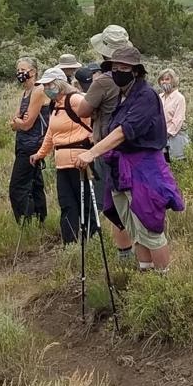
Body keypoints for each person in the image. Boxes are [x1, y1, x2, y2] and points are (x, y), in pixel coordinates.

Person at [79, 44, 184, 272]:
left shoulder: (145, 96)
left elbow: (123, 132)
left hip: (143, 170)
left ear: (136, 70)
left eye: (124, 66)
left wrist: (92, 152)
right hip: (121, 169)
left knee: (150, 228)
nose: (118, 70)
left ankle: (164, 283)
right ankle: (146, 274)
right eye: (115, 66)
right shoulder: (123, 95)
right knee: (135, 230)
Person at [76, 25, 136, 258]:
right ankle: (144, 256)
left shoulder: (103, 82)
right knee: (136, 202)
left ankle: (125, 254)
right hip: (134, 146)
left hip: (107, 147)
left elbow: (83, 110)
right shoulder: (135, 78)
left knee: (114, 205)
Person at [29, 67, 94, 243]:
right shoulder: (55, 106)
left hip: (80, 161)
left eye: (49, 84)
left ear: (59, 84)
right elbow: (51, 134)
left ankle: (91, 239)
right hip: (62, 163)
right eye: (45, 85)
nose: (46, 89)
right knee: (67, 204)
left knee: (85, 203)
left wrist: (93, 143)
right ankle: (70, 243)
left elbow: (95, 119)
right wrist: (40, 154)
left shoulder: (75, 99)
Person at [8, 56, 50, 223]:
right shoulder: (25, 92)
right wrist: (18, 122)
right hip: (23, 143)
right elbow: (14, 122)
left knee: (17, 187)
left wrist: (19, 122)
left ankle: (26, 221)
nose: (20, 73)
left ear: (33, 71)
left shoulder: (38, 90)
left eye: (23, 70)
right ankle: (40, 220)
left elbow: (26, 123)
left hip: (32, 144)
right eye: (18, 70)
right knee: (35, 183)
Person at [157, 68, 188, 162]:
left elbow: (178, 120)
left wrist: (166, 134)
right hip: (160, 139)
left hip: (175, 139)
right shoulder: (159, 97)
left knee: (177, 166)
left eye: (167, 79)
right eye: (162, 80)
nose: (164, 82)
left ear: (173, 80)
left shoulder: (179, 98)